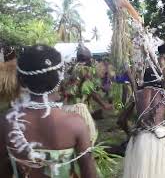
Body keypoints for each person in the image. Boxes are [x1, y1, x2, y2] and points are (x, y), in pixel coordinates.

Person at [0, 45, 96, 177]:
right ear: (60, 77)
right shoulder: (76, 123)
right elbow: (89, 173)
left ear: (21, 81)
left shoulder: (6, 121)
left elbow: (4, 170)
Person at [123, 67, 165, 178]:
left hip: (141, 137)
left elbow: (121, 120)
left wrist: (130, 133)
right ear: (159, 79)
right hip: (161, 136)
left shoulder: (137, 95)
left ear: (145, 79)